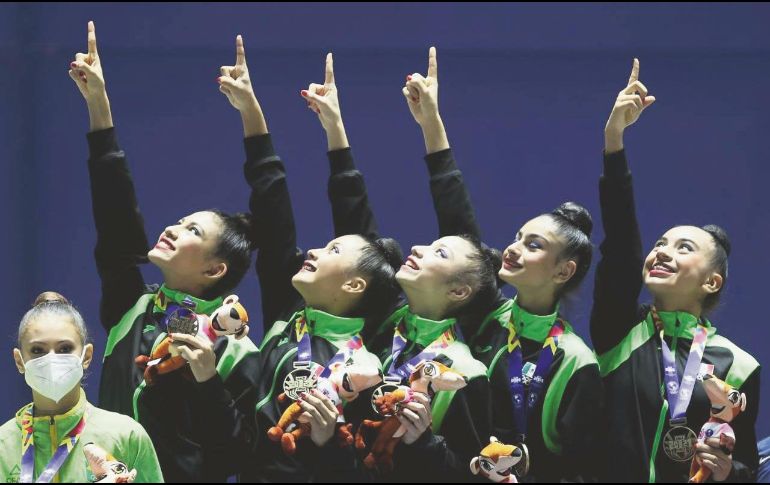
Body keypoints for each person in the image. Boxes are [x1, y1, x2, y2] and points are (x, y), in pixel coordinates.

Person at [69, 22, 260, 482]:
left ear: (216, 269)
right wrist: (98, 105)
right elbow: (115, 221)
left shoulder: (236, 351)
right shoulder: (131, 307)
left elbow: (238, 454)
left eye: (192, 229)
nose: (172, 228)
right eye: (179, 220)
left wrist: (207, 380)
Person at [592, 58, 760, 482]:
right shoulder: (619, 330)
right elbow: (621, 246)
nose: (662, 252)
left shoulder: (739, 367)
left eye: (683, 248)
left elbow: (747, 470)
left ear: (711, 281)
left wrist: (727, 472)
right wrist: (614, 141)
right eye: (660, 244)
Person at [0, 292, 163, 483]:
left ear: (86, 356)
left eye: (65, 349)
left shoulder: (126, 435)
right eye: (38, 350)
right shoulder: (3, 444)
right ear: (19, 361)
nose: (52, 358)